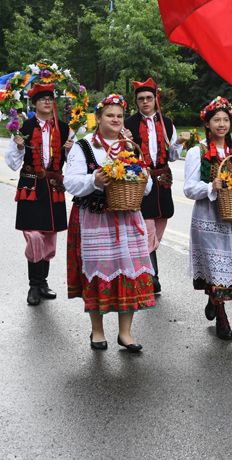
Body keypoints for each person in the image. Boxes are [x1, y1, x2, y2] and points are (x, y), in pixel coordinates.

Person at [65, 94, 155, 351]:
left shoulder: (129, 145)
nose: (115, 120)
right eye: (109, 115)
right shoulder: (84, 146)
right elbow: (70, 182)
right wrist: (94, 179)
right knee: (98, 273)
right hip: (95, 218)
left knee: (129, 271)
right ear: (99, 118)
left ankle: (125, 333)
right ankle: (97, 331)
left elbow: (146, 186)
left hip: (126, 217)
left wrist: (131, 163)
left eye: (119, 116)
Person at [183, 97, 232, 341]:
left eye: (225, 120)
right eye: (216, 120)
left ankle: (213, 301)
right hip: (207, 219)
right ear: (208, 124)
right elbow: (189, 188)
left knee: (226, 267)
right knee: (215, 267)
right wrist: (211, 186)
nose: (221, 124)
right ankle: (222, 317)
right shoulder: (197, 151)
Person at [5, 83, 75, 305]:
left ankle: (43, 282)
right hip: (31, 186)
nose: (47, 101)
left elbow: (73, 163)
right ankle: (34, 285)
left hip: (53, 186)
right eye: (42, 98)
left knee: (49, 238)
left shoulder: (65, 129)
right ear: (34, 104)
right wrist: (18, 147)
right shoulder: (23, 127)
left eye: (50, 98)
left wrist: (70, 150)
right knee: (34, 237)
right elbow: (11, 163)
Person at [124, 78, 189, 295]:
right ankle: (152, 278)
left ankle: (145, 271)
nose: (145, 102)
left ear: (155, 99)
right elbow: (123, 155)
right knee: (147, 230)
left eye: (149, 98)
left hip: (163, 183)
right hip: (141, 183)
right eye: (141, 99)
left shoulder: (167, 122)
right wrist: (125, 142)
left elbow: (171, 156)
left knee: (159, 227)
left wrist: (178, 142)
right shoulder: (128, 124)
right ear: (136, 101)